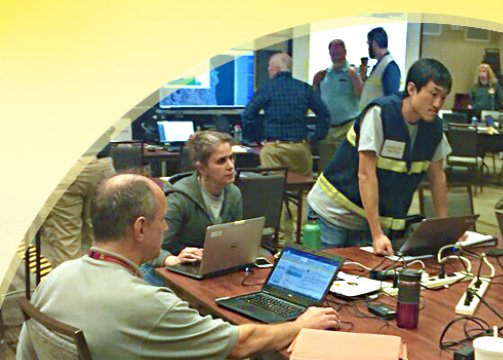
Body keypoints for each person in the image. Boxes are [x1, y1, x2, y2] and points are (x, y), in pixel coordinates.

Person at [17, 174, 340, 359]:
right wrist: (300, 324)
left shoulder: (56, 278)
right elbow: (240, 343)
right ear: (140, 228)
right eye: (162, 220)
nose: (166, 229)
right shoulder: (149, 305)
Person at [307, 58, 452, 256]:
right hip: (332, 212)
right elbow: (366, 175)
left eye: (443, 98)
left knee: (363, 278)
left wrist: (444, 228)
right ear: (411, 88)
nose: (437, 104)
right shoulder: (380, 113)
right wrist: (377, 234)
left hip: (368, 217)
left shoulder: (434, 128)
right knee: (324, 276)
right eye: (433, 94)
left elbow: (437, 176)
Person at [242, 52, 330, 177]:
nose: (268, 69)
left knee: (273, 190)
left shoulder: (267, 88)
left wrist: (257, 138)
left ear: (276, 68)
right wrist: (315, 138)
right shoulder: (304, 88)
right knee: (301, 188)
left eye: (269, 66)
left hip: (274, 149)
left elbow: (248, 114)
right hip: (300, 148)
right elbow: (324, 115)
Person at [40, 134, 115, 268]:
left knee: (66, 238)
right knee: (100, 237)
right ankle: (97, 284)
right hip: (102, 162)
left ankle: (71, 286)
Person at [161, 131, 242, 256]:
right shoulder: (178, 198)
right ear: (201, 169)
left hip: (217, 259)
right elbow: (155, 249)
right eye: (221, 161)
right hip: (182, 262)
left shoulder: (233, 193)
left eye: (231, 158)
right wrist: (169, 259)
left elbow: (235, 239)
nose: (231, 166)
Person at [313, 39, 363, 171]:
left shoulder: (353, 72)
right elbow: (316, 98)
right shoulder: (323, 74)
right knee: (325, 169)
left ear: (345, 53)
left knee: (346, 168)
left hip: (346, 127)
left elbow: (361, 95)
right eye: (333, 54)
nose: (336, 57)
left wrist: (356, 79)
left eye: (339, 54)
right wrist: (315, 82)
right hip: (328, 129)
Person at [359, 27, 401, 109]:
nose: (368, 48)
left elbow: (391, 101)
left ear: (373, 43)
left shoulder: (389, 67)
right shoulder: (381, 65)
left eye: (368, 44)